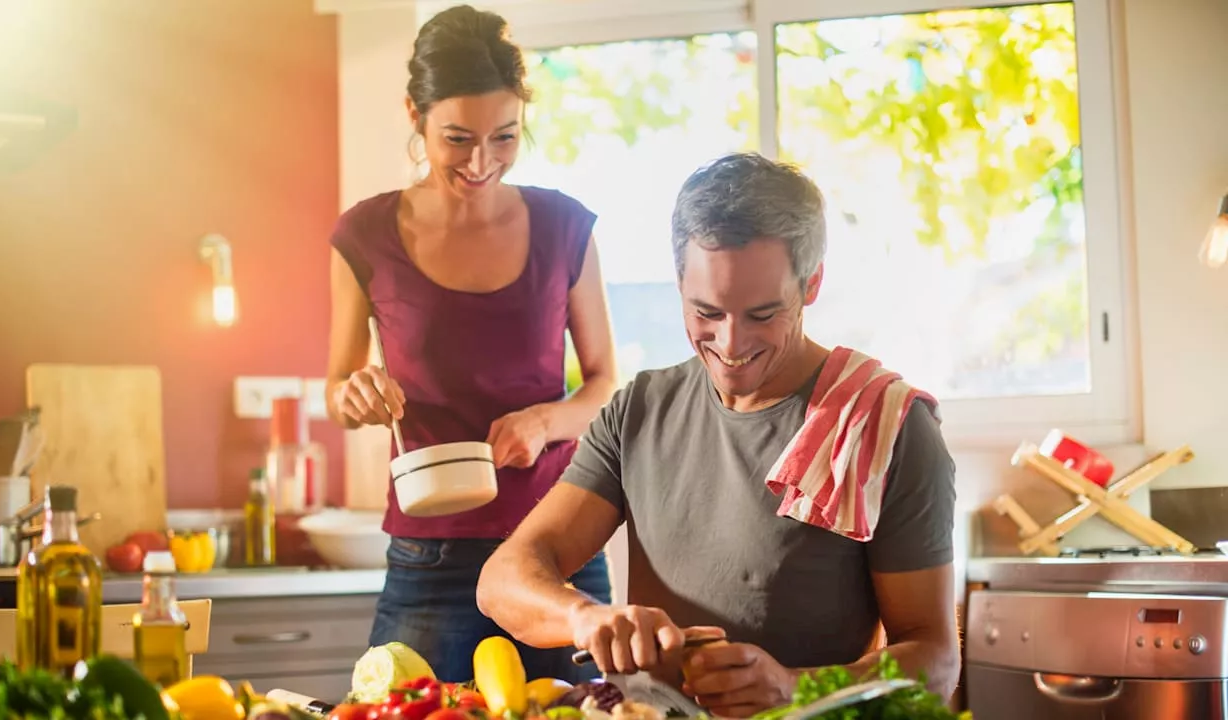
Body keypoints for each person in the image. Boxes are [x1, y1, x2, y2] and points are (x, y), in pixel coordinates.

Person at [477, 153, 961, 716]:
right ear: (679, 281)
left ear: (812, 283)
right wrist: (585, 618)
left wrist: (793, 685)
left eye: (762, 314)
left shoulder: (888, 427)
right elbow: (503, 579)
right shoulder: (638, 410)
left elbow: (936, 661)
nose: (730, 345)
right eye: (706, 311)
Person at [325, 4, 619, 683]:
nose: (482, 162)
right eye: (458, 138)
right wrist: (357, 391)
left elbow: (604, 382)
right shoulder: (363, 237)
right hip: (429, 555)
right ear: (414, 115)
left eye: (505, 136)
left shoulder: (564, 227)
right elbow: (337, 393)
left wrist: (545, 420)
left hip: (557, 546)